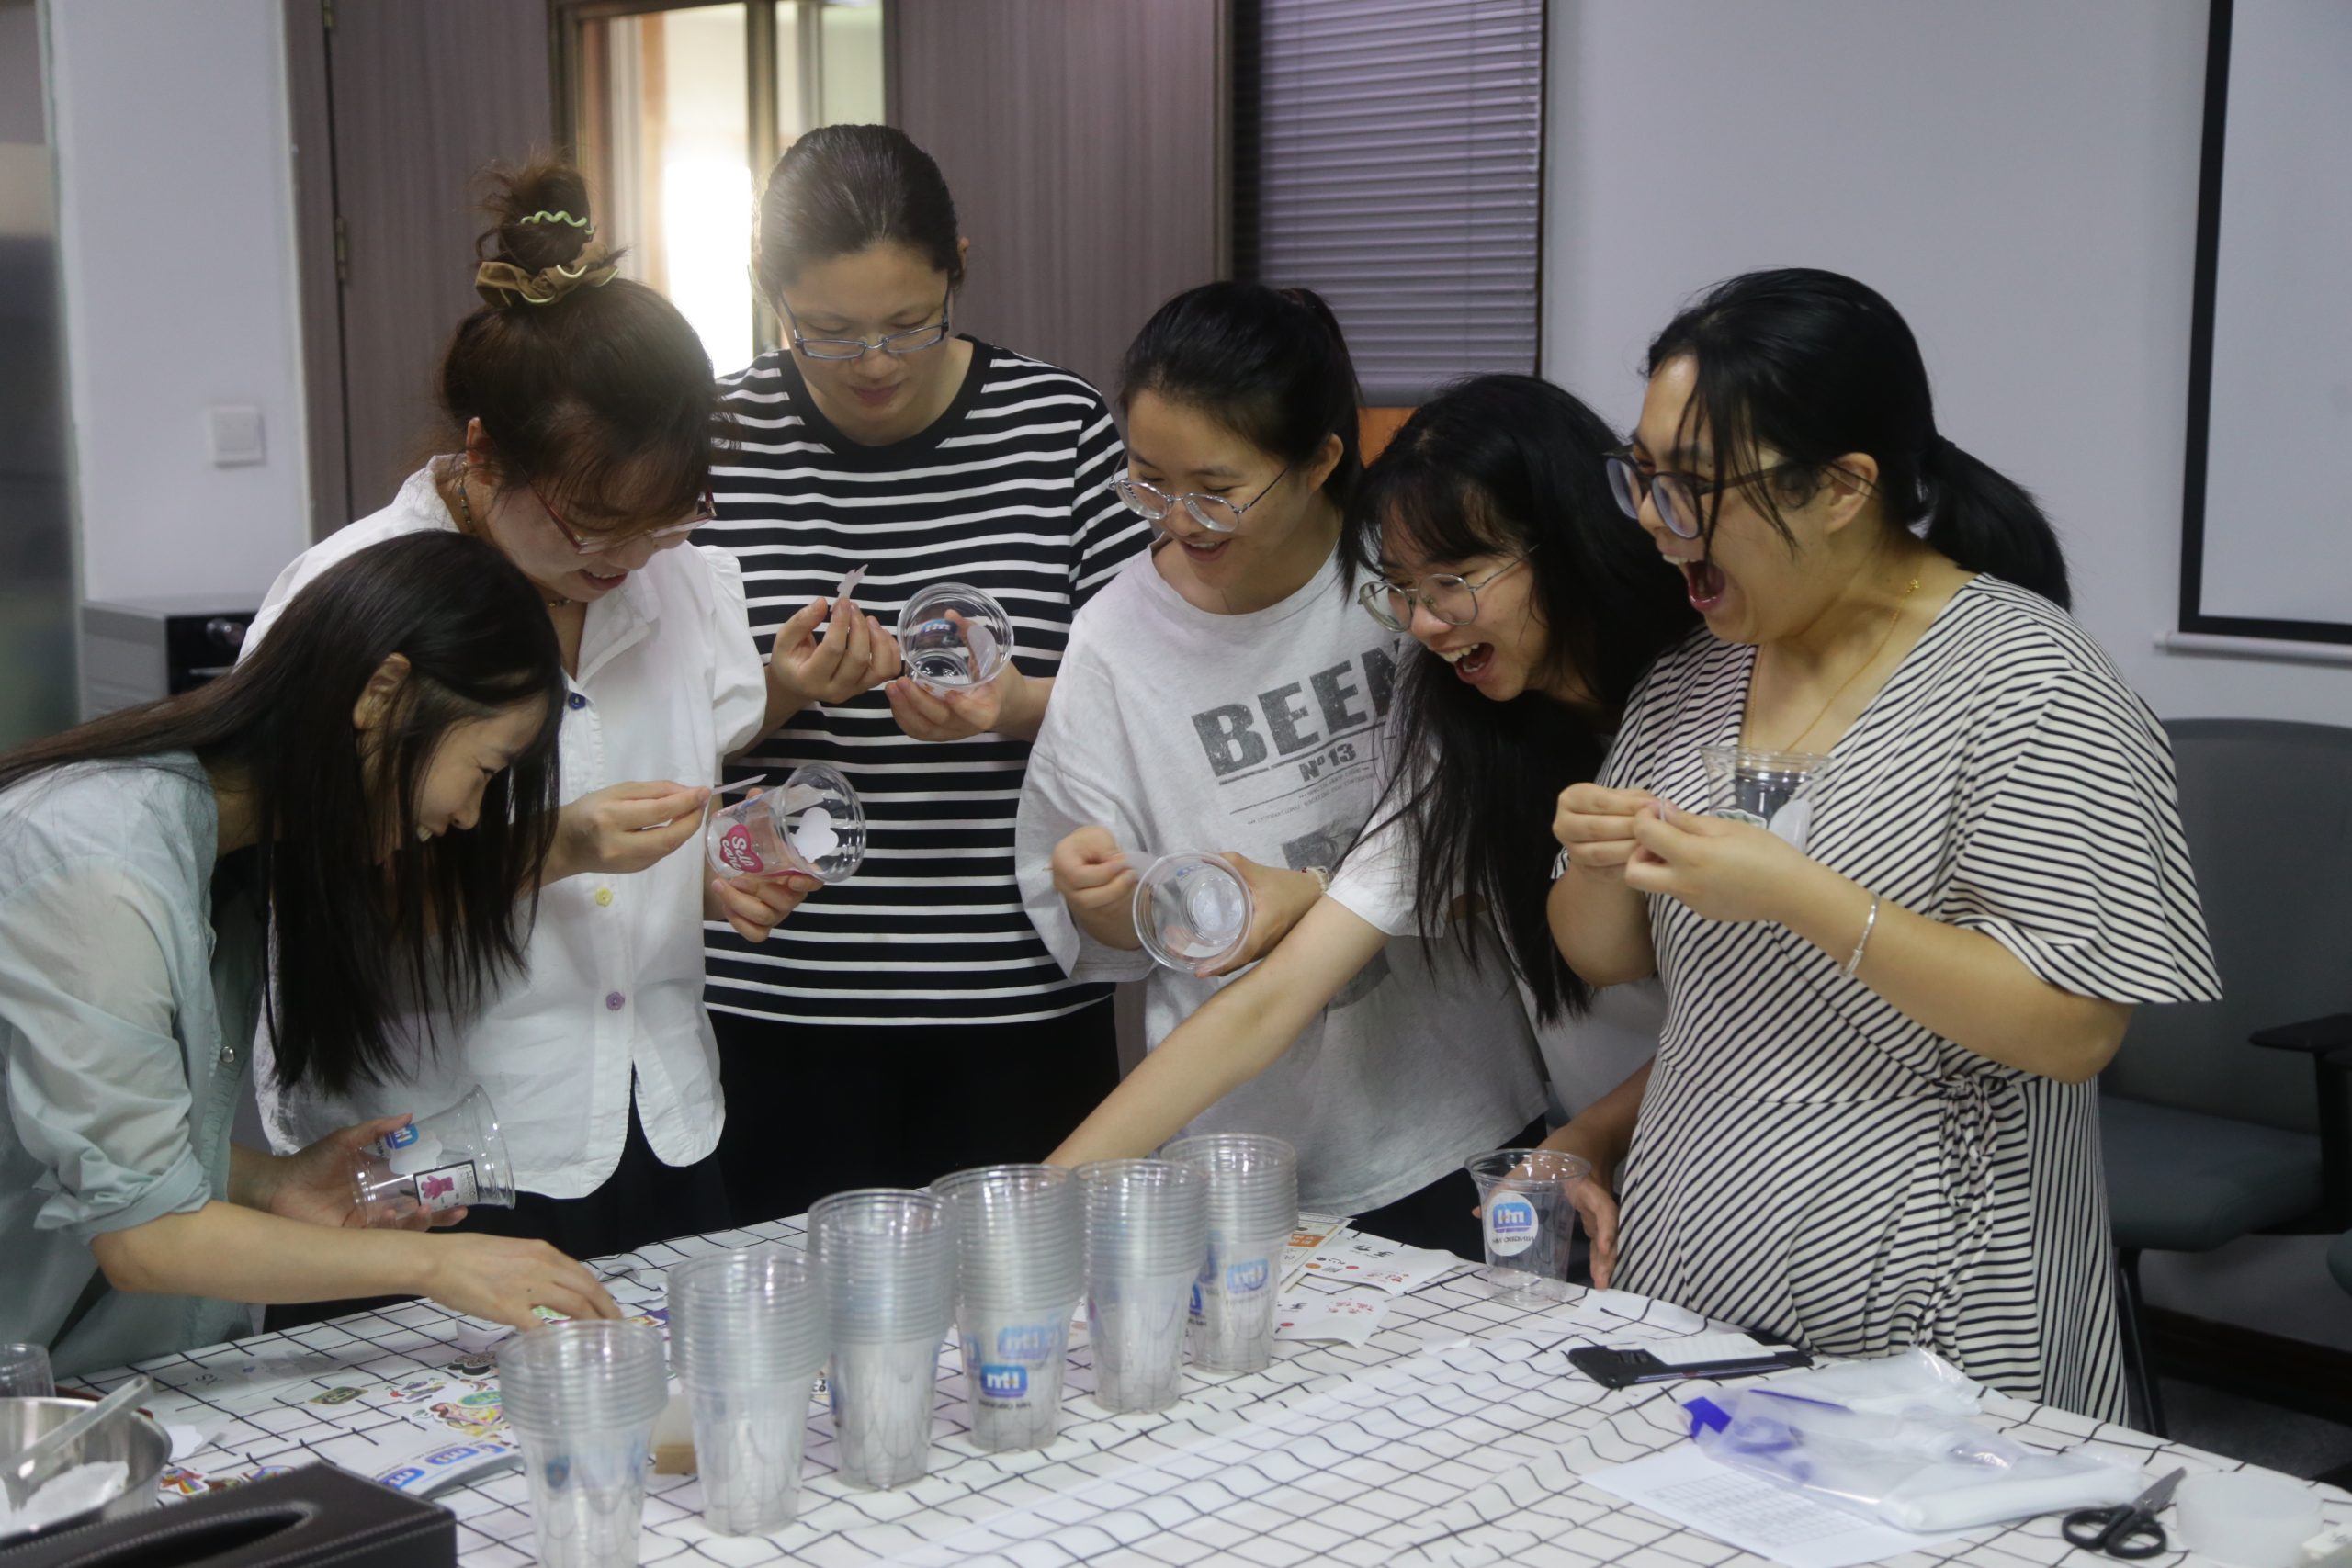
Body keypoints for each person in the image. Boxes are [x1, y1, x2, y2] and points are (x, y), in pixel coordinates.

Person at [1545, 267, 2220, 1420]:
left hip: (1945, 1294)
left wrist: (1802, 896)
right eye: (1642, 476)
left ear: (1841, 487)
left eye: (1692, 487)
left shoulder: (2031, 684)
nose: (1656, 522)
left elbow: (2072, 1027)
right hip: (1691, 1256)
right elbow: (1604, 957)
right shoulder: (1694, 677)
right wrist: (1598, 856)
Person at [245, 163, 804, 1263]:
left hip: (660, 1115)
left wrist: (702, 870)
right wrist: (557, 846)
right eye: (593, 520)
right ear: (484, 454)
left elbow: (658, 805)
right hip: (435, 1152)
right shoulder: (347, 605)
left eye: (666, 515)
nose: (627, 555)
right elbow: (316, 915)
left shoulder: (683, 583)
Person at [1040, 374, 1693, 1254]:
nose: (1424, 623)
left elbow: (1748, 1009)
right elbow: (1271, 1000)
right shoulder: (1462, 726)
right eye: (1401, 588)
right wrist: (1040, 1196)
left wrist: (1596, 1131)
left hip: (1724, 1139)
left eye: (1454, 581)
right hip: (1602, 1160)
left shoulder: (1701, 692)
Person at [0, 533, 621, 1377]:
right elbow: (146, 1236)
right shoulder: (100, 864)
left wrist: (272, 1184)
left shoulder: (225, 851)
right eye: (484, 769)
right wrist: (440, 1263)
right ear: (382, 692)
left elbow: (94, 1137)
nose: (470, 814)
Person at [698, 125, 1148, 1222]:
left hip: (1013, 997)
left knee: (1027, 1299)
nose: (874, 363)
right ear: (769, 293)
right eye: (829, 331)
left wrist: (1012, 705)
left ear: (958, 267)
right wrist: (782, 689)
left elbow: (1147, 698)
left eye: (910, 322)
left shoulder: (1058, 431)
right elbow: (636, 721)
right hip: (777, 999)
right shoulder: (713, 441)